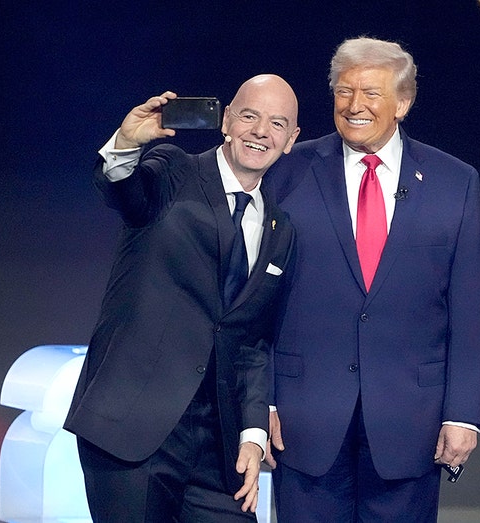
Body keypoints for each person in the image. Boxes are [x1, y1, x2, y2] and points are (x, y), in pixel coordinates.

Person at [262, 37, 480, 522]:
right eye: (344, 91)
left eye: (371, 93)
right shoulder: (287, 171)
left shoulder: (454, 181)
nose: (354, 105)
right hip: (304, 418)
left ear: (402, 103)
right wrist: (261, 402)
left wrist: (462, 414)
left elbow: (469, 311)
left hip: (412, 421)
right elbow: (258, 299)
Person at [64, 74, 301, 521]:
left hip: (218, 445)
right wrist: (126, 145)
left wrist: (252, 435)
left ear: (291, 140)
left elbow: (253, 343)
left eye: (277, 123)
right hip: (133, 430)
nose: (260, 131)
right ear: (226, 121)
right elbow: (123, 191)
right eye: (249, 116)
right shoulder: (174, 170)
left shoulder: (281, 230)